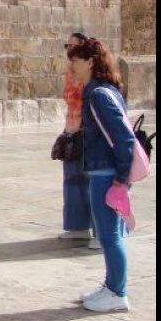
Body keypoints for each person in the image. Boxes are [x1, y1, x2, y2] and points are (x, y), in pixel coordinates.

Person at [68, 38, 137, 313]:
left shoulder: (98, 95)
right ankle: (111, 285)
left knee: (109, 235)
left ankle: (117, 292)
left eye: (75, 61)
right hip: (106, 170)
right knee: (111, 234)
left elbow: (123, 138)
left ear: (90, 62)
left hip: (107, 173)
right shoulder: (101, 91)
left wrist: (121, 176)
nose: (71, 67)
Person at [58, 32, 97, 248]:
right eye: (67, 46)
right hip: (71, 131)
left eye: (74, 46)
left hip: (87, 131)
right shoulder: (69, 74)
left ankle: (101, 230)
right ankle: (78, 226)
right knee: (72, 179)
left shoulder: (92, 78)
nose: (69, 50)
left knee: (92, 180)